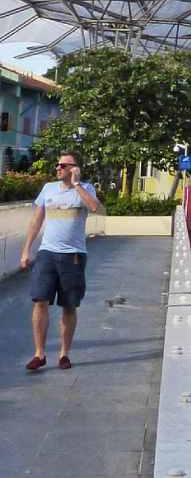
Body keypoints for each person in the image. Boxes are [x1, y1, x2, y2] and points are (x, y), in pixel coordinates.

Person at [18, 152, 102, 371]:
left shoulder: (86, 188)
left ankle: (64, 354)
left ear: (75, 168)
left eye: (64, 165)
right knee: (39, 300)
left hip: (73, 255)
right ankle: (39, 354)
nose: (58, 168)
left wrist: (76, 185)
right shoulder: (48, 189)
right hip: (47, 253)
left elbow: (95, 208)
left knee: (69, 305)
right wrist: (26, 249)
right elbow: (37, 220)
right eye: (57, 165)